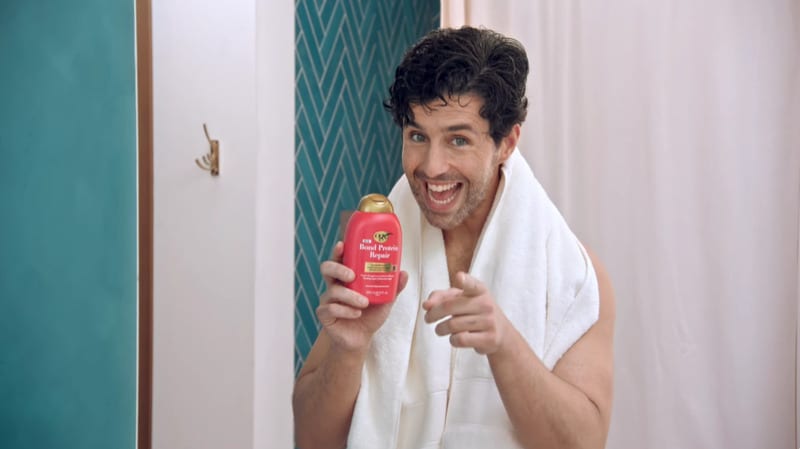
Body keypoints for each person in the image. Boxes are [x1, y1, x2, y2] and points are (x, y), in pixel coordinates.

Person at [293, 26, 615, 449]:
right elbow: (311, 438)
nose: (432, 167)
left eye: (458, 140)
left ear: (506, 142)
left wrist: (505, 345)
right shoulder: (375, 256)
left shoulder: (573, 276)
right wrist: (349, 349)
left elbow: (584, 443)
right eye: (417, 136)